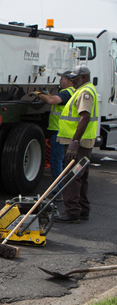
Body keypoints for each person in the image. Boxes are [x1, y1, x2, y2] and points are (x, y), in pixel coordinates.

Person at [56, 65, 98, 223]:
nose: (72, 80)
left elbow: (84, 117)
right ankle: (82, 210)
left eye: (76, 78)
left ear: (84, 78)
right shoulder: (84, 90)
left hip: (78, 143)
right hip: (82, 142)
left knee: (72, 176)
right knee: (81, 175)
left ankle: (72, 212)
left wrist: (74, 142)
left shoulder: (85, 92)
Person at [32, 72, 74, 201]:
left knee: (56, 162)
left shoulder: (67, 93)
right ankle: (64, 189)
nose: (60, 81)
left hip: (60, 132)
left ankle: (58, 191)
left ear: (68, 80)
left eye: (62, 79)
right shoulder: (72, 92)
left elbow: (51, 101)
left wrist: (39, 94)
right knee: (62, 162)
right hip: (64, 132)